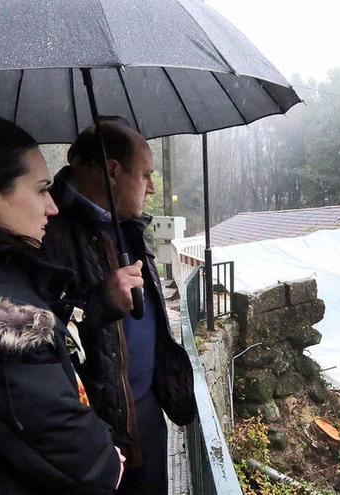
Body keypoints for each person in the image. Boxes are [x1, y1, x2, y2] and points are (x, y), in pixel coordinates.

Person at [41, 119, 194, 495]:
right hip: (97, 425)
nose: (153, 186)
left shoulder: (127, 223)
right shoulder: (47, 227)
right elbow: (34, 330)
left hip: (144, 409)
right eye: (146, 175)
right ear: (113, 170)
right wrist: (100, 302)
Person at [0, 117, 124, 494]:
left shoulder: (19, 280)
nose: (52, 206)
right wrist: (104, 456)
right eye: (40, 190)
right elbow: (49, 421)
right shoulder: (10, 312)